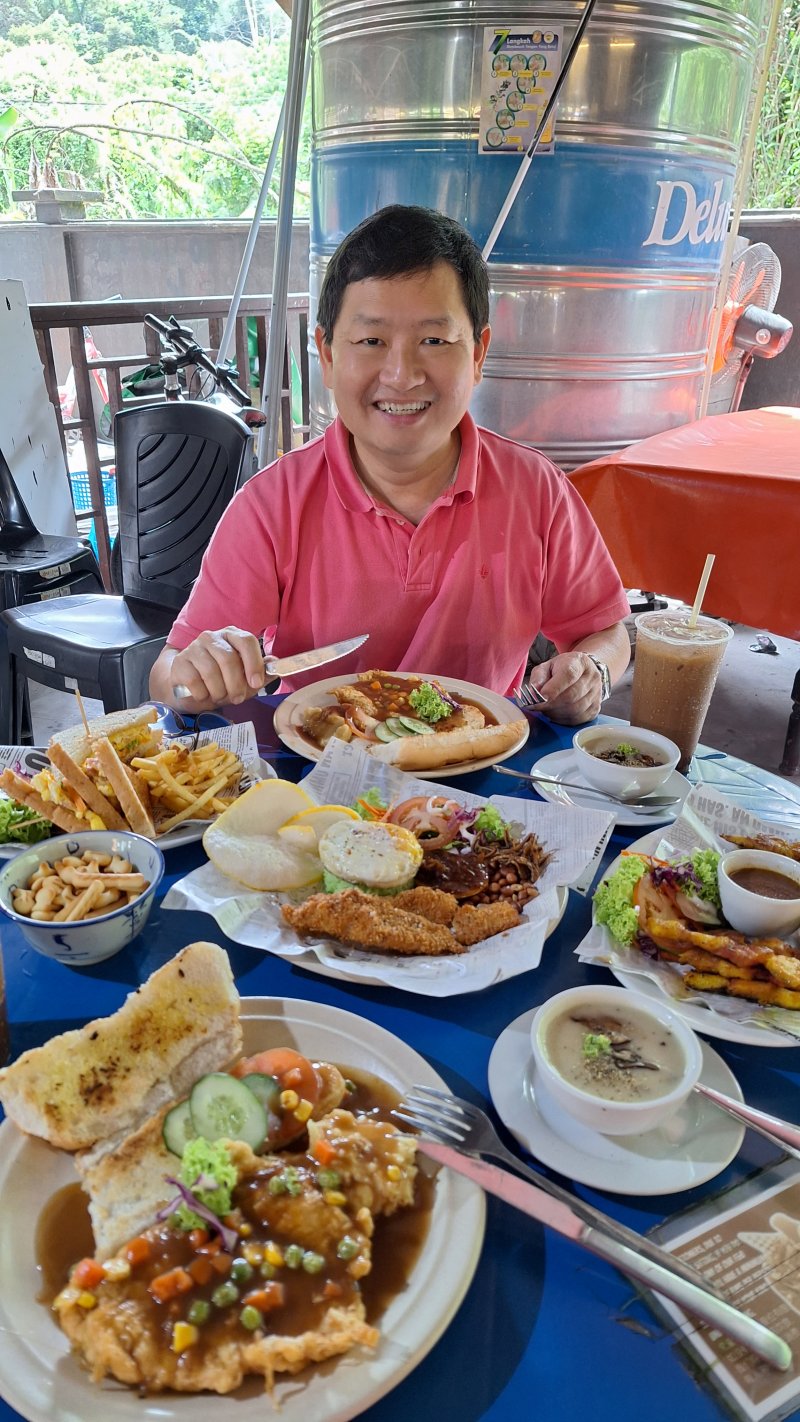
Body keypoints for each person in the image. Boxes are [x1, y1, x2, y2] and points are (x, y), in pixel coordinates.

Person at [150, 205, 630, 725]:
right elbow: (169, 673)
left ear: (478, 354)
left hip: (486, 775)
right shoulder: (273, 505)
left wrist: (593, 672)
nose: (401, 376)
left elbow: (604, 631)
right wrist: (196, 678)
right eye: (371, 341)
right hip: (316, 782)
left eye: (434, 341)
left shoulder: (537, 490)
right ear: (328, 356)